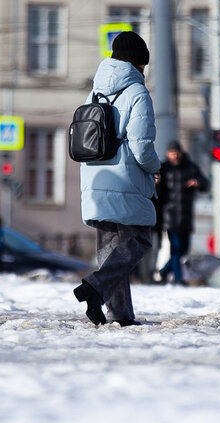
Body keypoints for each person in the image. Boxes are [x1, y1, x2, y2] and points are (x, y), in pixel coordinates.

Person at [73, 31, 160, 327]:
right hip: (125, 177)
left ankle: (118, 314)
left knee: (110, 248)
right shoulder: (137, 93)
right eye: (144, 66)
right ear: (137, 64)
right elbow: (141, 146)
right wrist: (154, 167)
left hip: (96, 175)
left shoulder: (94, 92)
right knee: (139, 239)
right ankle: (95, 286)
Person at [156, 140, 209, 284]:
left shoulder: (190, 167)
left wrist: (197, 182)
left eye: (176, 153)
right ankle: (179, 280)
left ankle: (164, 271)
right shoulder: (163, 168)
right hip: (169, 216)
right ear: (167, 154)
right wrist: (157, 183)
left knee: (183, 250)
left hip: (186, 215)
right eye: (172, 153)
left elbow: (206, 184)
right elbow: (156, 191)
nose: (175, 156)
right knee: (176, 248)